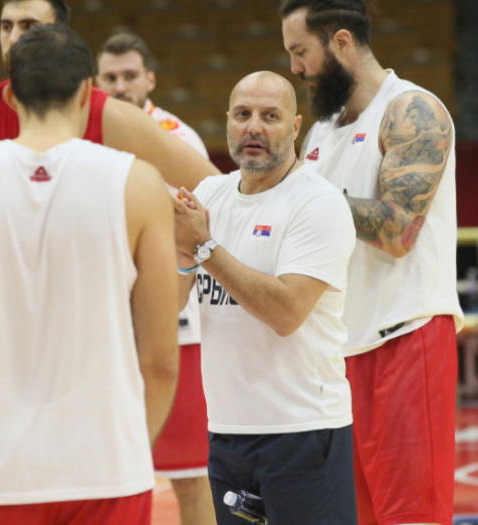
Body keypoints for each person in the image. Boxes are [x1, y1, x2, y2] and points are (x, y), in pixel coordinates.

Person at [0, 25, 180, 525]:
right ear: (87, 92)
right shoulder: (138, 184)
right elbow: (162, 361)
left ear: (10, 96)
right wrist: (127, 453)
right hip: (106, 471)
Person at [280, 2, 463, 524]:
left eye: (300, 52)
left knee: (412, 517)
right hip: (337, 353)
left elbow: (399, 228)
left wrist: (304, 200)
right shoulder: (320, 133)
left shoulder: (412, 109)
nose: (294, 68)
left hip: (405, 340)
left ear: (341, 42)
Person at [0, 0, 221, 255]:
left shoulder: (110, 116)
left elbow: (214, 191)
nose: (14, 37)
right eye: (6, 26)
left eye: (28, 26)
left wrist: (189, 263)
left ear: (59, 35)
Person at [174, 72, 357, 525]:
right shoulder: (210, 195)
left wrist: (204, 249)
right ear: (228, 123)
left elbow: (286, 311)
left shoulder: (318, 203)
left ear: (295, 127)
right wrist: (179, 252)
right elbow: (174, 301)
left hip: (302, 431)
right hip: (227, 432)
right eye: (243, 115)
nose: (254, 127)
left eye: (269, 116)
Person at [96, 32, 216, 525]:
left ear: (150, 79)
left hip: (174, 324)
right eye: (111, 77)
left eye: (130, 76)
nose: (121, 86)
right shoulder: (85, 135)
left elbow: (193, 224)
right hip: (108, 321)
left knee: (191, 477)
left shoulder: (175, 139)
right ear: (95, 81)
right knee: (114, 475)